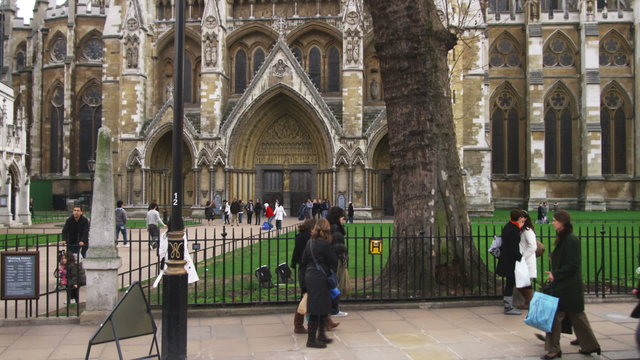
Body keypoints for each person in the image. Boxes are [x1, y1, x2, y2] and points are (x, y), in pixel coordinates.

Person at [542, 210, 601, 359]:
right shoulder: (564, 238)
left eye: (555, 220)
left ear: (562, 222)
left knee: (558, 318)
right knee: (576, 318)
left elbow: (573, 265)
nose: (553, 222)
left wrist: (555, 274)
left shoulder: (571, 239)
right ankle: (590, 346)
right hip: (565, 287)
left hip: (567, 288)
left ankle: (554, 349)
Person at [300, 219, 337, 348]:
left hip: (311, 275)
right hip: (319, 277)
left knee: (323, 306)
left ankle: (321, 335)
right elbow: (333, 261)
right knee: (316, 308)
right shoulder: (325, 244)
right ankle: (311, 340)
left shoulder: (310, 242)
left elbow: (303, 260)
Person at [496, 209, 525, 315]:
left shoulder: (509, 226)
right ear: (518, 218)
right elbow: (513, 247)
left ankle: (508, 305)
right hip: (509, 260)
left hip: (506, 259)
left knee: (510, 282)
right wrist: (520, 257)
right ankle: (508, 307)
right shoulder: (513, 230)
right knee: (510, 282)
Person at [291, 218, 316, 334]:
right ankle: (298, 325)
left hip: (305, 270)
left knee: (311, 297)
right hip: (307, 271)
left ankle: (326, 321)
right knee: (306, 298)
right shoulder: (307, 239)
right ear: (311, 228)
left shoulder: (302, 236)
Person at [327, 206, 348, 317]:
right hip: (335, 261)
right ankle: (334, 309)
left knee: (332, 284)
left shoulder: (330, 226)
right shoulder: (336, 228)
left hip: (331, 260)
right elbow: (339, 246)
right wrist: (343, 259)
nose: (343, 218)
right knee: (334, 285)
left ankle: (333, 308)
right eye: (342, 216)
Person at [515, 211, 536, 308]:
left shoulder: (528, 231)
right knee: (521, 282)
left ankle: (530, 302)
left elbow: (533, 246)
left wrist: (522, 257)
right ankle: (528, 302)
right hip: (522, 260)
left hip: (526, 260)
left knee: (524, 282)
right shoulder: (521, 230)